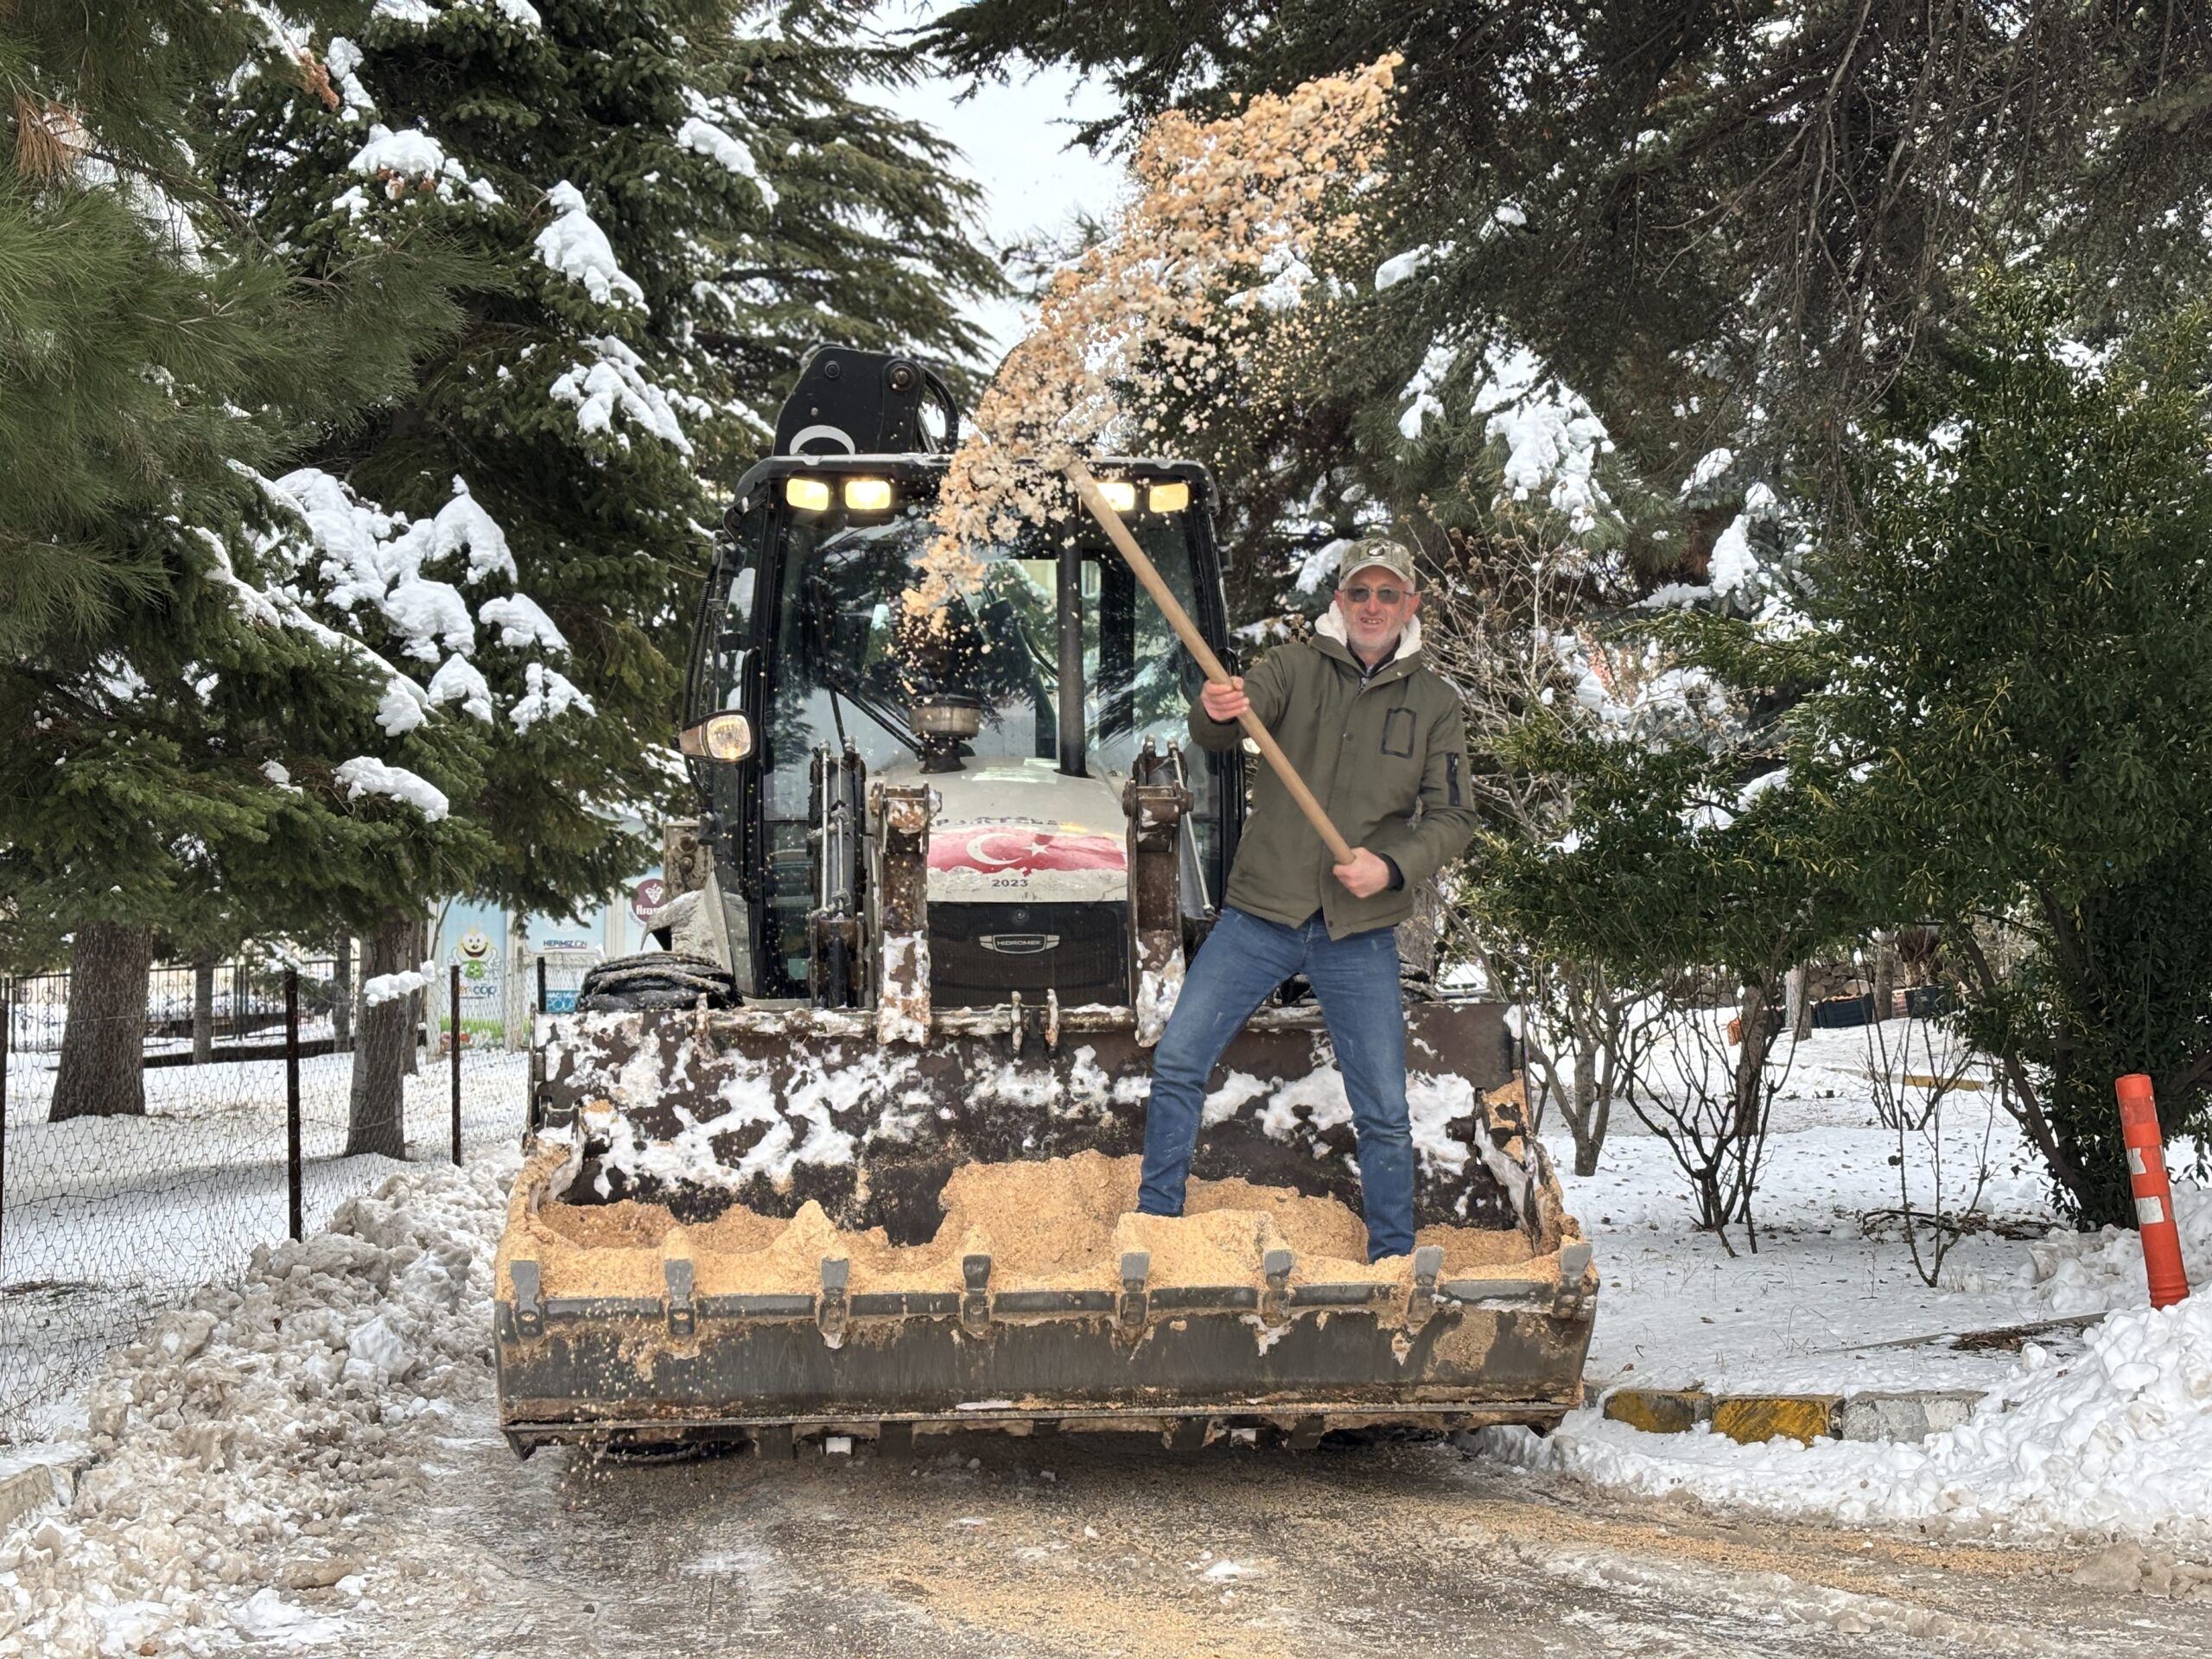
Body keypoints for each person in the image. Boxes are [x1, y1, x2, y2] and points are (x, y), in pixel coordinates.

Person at [1135, 534, 1479, 1262]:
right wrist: (1220, 706)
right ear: (1340, 601)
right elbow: (1225, 726)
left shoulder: (1434, 704)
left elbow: (1453, 818)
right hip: (1263, 911)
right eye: (1361, 592)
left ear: (1411, 605)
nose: (1374, 605)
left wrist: (1390, 867)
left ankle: (1393, 1261)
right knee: (1179, 1061)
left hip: (1357, 928)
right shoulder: (1294, 666)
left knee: (1383, 1108)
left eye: (1389, 593)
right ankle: (1154, 1230)